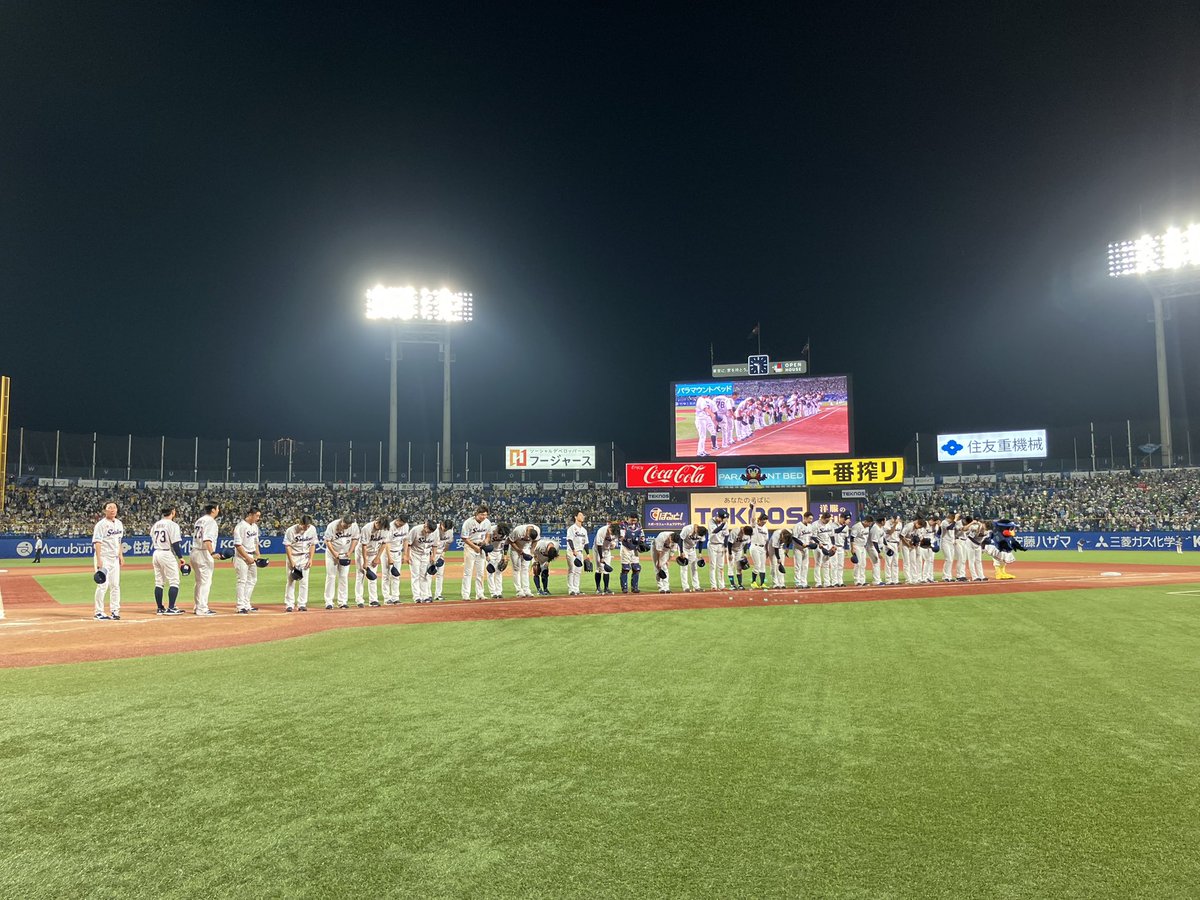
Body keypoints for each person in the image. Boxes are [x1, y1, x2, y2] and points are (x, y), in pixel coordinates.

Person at [190, 503, 230, 616]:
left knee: (199, 582)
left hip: (194, 551)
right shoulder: (211, 522)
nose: (219, 510)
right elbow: (207, 539)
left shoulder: (199, 520)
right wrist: (212, 553)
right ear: (213, 510)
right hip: (204, 553)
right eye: (218, 508)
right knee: (205, 582)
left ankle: (198, 606)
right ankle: (202, 608)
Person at [149, 505, 188, 615]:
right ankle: (171, 607)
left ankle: (160, 608)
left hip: (156, 553)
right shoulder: (173, 525)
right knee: (174, 581)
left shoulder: (156, 524)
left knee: (159, 582)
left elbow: (152, 536)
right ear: (173, 512)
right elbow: (175, 543)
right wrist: (180, 557)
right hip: (166, 552)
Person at [91, 501, 125, 620]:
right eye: (109, 508)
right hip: (104, 558)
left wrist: (120, 555)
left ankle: (115, 610)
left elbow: (119, 540)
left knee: (115, 585)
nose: (112, 509)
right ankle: (99, 611)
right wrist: (99, 559)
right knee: (102, 586)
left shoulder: (119, 523)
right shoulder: (101, 525)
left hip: (114, 559)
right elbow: (97, 542)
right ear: (104, 510)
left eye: (114, 507)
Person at [232, 506, 264, 614]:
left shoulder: (255, 526)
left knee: (252, 580)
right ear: (250, 515)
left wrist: (258, 554)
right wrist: (247, 557)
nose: (258, 518)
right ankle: (240, 606)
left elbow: (255, 542)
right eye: (257, 516)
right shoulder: (240, 527)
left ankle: (246, 603)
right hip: (241, 557)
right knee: (242, 581)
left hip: (251, 557)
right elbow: (237, 544)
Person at [283, 514, 318, 611]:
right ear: (300, 523)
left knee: (304, 582)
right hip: (293, 556)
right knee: (291, 581)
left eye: (308, 526)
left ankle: (302, 604)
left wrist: (311, 559)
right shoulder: (291, 530)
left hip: (305, 557)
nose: (306, 528)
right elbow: (287, 546)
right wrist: (291, 561)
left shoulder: (312, 529)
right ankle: (289, 604)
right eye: (304, 526)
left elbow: (313, 544)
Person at [323, 514, 359, 609]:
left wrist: (350, 551)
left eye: (349, 525)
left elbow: (355, 538)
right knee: (331, 576)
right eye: (345, 525)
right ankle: (329, 602)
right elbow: (327, 541)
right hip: (332, 554)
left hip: (345, 554)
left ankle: (342, 601)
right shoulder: (332, 526)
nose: (347, 527)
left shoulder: (354, 526)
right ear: (342, 521)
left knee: (343, 577)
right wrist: (334, 553)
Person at [356, 517, 391, 607]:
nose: (380, 528)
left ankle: (373, 600)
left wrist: (377, 557)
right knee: (361, 576)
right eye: (379, 525)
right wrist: (365, 561)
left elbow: (384, 543)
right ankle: (359, 600)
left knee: (372, 577)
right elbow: (364, 545)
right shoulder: (366, 529)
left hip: (374, 554)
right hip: (362, 553)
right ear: (376, 522)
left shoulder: (385, 529)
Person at [460, 505, 492, 601]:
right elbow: (464, 537)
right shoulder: (468, 522)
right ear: (477, 514)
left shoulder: (487, 522)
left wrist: (486, 541)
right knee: (468, 572)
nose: (484, 517)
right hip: (470, 547)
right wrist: (474, 547)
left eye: (485, 515)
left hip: (481, 547)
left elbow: (488, 534)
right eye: (482, 514)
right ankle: (466, 594)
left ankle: (480, 594)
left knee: (480, 572)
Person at [405, 519, 438, 603]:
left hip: (426, 555)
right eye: (429, 530)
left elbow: (434, 545)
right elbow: (408, 543)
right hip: (415, 554)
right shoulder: (415, 530)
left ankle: (425, 596)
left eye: (431, 531)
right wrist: (407, 556)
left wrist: (433, 556)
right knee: (415, 575)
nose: (429, 532)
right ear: (425, 525)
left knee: (424, 575)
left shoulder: (434, 532)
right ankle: (417, 597)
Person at [507, 524, 540, 598]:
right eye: (528, 537)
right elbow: (510, 541)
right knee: (516, 569)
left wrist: (531, 551)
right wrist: (519, 551)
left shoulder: (537, 529)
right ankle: (519, 591)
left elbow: (535, 541)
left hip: (526, 548)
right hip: (515, 549)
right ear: (527, 532)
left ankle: (526, 590)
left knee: (525, 569)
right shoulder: (518, 530)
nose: (528, 539)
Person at [384, 514, 410, 604]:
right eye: (400, 523)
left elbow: (406, 540)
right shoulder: (390, 527)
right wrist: (389, 558)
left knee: (396, 575)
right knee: (386, 576)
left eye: (402, 524)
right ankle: (387, 598)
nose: (401, 525)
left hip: (398, 552)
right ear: (397, 519)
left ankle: (395, 597)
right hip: (387, 552)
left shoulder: (405, 526)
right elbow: (386, 543)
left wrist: (405, 554)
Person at [619, 513, 646, 594]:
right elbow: (621, 537)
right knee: (626, 568)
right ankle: (624, 587)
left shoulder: (639, 525)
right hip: (625, 548)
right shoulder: (623, 525)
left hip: (635, 549)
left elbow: (642, 536)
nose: (633, 522)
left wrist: (641, 541)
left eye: (635, 520)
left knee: (636, 568)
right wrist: (629, 539)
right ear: (628, 518)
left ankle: (635, 587)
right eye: (632, 520)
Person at [677, 522, 708, 592]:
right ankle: (685, 587)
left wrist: (700, 553)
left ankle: (696, 587)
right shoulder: (687, 529)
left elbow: (701, 542)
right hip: (684, 548)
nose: (700, 536)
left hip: (692, 549)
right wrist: (681, 552)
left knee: (694, 568)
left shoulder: (702, 532)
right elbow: (680, 539)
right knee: (684, 568)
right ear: (697, 530)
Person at [591, 518, 618, 595]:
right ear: (609, 527)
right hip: (598, 550)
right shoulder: (601, 531)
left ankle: (606, 588)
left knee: (607, 569)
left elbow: (614, 541)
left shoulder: (616, 531)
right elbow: (599, 545)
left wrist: (613, 545)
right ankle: (598, 588)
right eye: (611, 531)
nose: (612, 533)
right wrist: (601, 558)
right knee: (599, 568)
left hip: (607, 550)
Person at [565, 511, 589, 597]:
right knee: (572, 570)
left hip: (580, 552)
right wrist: (573, 550)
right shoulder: (572, 528)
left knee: (578, 571)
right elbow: (569, 540)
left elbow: (586, 543)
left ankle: (576, 589)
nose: (582, 516)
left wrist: (588, 554)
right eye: (580, 515)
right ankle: (571, 589)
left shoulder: (584, 530)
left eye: (583, 515)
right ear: (575, 517)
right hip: (572, 552)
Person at [485, 522, 509, 599]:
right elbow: (485, 543)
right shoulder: (491, 530)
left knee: (499, 572)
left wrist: (505, 555)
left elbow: (506, 544)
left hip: (499, 552)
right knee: (490, 572)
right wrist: (486, 555)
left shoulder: (506, 532)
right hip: (490, 552)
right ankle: (493, 593)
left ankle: (499, 592)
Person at [791, 512, 815, 588]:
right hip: (798, 548)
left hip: (806, 549)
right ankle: (797, 583)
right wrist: (802, 544)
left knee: (805, 566)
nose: (811, 520)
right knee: (798, 566)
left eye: (812, 518)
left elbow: (810, 537)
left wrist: (812, 543)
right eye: (810, 518)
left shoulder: (810, 526)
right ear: (805, 517)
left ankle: (804, 582)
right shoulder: (798, 526)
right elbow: (794, 537)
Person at [431, 520, 454, 600]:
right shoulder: (434, 529)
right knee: (428, 574)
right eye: (445, 528)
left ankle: (438, 594)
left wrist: (443, 554)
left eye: (447, 529)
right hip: (430, 553)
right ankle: (427, 595)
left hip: (440, 553)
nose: (446, 530)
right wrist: (432, 557)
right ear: (441, 524)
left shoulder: (450, 530)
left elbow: (448, 543)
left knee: (440, 575)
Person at [707, 509, 729, 590]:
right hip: (712, 545)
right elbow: (716, 531)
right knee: (713, 566)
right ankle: (713, 586)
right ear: (718, 517)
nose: (723, 520)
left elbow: (726, 535)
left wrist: (726, 547)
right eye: (722, 518)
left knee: (721, 567)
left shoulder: (724, 523)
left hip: (721, 546)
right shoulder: (711, 521)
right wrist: (723, 523)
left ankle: (722, 585)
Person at [748, 511, 769, 588]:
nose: (764, 523)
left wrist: (767, 551)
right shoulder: (754, 526)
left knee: (763, 566)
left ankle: (762, 583)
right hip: (755, 547)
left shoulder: (765, 529)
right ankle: (753, 582)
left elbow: (766, 540)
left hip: (763, 548)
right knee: (758, 564)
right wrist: (753, 508)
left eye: (765, 522)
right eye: (763, 521)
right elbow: (753, 518)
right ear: (759, 520)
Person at [767, 525, 792, 589]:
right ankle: (775, 584)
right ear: (782, 535)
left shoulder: (789, 532)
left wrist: (787, 548)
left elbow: (790, 540)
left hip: (780, 548)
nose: (783, 540)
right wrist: (778, 558)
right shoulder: (776, 535)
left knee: (781, 565)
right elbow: (776, 548)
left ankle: (782, 583)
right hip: (772, 548)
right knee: (774, 565)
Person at [850, 513, 870, 586]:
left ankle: (862, 580)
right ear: (865, 521)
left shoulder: (867, 527)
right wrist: (852, 548)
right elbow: (852, 537)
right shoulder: (857, 526)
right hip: (857, 546)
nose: (869, 525)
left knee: (863, 564)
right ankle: (857, 580)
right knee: (858, 563)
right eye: (869, 523)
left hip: (863, 546)